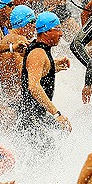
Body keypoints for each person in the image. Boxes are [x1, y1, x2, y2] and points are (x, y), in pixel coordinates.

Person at [18, 12, 71, 143]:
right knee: (50, 148)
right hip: (30, 118)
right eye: (57, 29)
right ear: (46, 32)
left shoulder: (41, 50)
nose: (61, 33)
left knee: (65, 134)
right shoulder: (38, 53)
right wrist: (56, 113)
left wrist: (54, 65)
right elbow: (33, 86)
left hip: (38, 116)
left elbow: (40, 70)